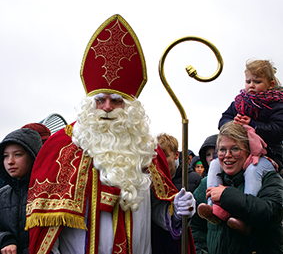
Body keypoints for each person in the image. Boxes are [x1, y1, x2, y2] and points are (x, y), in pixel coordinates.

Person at [25, 14, 196, 254]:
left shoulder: (147, 150)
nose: (106, 107)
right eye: (100, 100)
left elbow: (158, 213)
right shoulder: (62, 146)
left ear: (131, 107)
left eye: (116, 100)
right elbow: (47, 228)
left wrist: (176, 211)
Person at [191, 121, 283, 254]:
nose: (227, 155)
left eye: (235, 149)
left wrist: (226, 195)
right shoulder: (207, 183)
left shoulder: (268, 179)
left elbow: (271, 213)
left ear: (248, 151)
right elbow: (195, 225)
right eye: (222, 150)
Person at [207, 59, 283, 208]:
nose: (251, 85)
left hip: (268, 155)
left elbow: (278, 131)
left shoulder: (276, 104)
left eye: (257, 81)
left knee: (253, 170)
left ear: (270, 84)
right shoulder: (240, 102)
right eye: (248, 81)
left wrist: (253, 125)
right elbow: (223, 120)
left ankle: (245, 210)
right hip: (242, 154)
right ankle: (212, 206)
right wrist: (233, 123)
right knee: (215, 164)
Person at [0, 128, 42, 254]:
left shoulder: (48, 192)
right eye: (5, 156)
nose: (10, 162)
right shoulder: (2, 195)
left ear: (33, 155)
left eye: (17, 154)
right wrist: (6, 240)